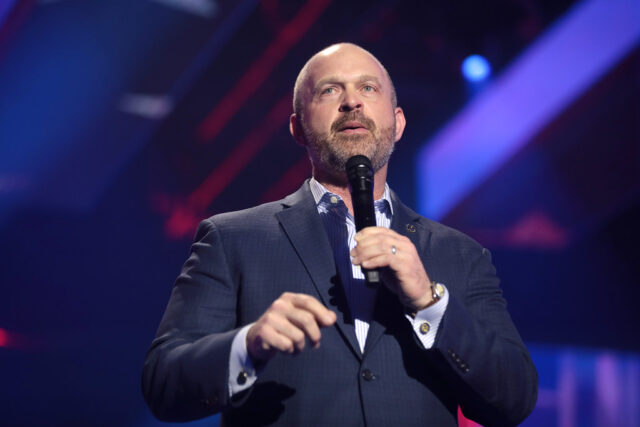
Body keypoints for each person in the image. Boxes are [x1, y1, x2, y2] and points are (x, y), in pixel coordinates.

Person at [142, 43, 538, 426]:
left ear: (397, 123)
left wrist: (429, 302)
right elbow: (163, 383)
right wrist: (248, 345)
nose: (352, 102)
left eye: (368, 88)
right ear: (298, 127)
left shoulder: (461, 254)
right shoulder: (231, 238)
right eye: (330, 90)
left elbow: (514, 399)